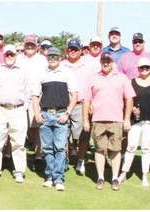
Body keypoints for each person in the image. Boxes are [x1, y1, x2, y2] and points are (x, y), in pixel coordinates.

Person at [83, 52, 135, 191]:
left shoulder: (122, 78)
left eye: (108, 61)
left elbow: (129, 98)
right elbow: (87, 100)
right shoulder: (93, 78)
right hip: (98, 119)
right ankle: (100, 177)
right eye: (103, 61)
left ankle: (114, 178)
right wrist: (85, 120)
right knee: (99, 149)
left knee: (116, 149)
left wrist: (127, 118)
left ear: (113, 62)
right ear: (100, 62)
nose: (106, 64)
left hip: (116, 120)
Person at [32, 47, 78, 191]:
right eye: (50, 56)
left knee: (60, 148)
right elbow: (35, 96)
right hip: (45, 115)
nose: (52, 59)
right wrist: (37, 113)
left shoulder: (67, 73)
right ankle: (49, 176)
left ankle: (59, 178)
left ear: (59, 58)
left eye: (55, 56)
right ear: (47, 58)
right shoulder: (41, 74)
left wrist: (67, 113)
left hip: (60, 116)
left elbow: (74, 95)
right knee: (47, 148)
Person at [119, 58, 150, 187]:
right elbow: (126, 99)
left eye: (147, 68)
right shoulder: (132, 82)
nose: (144, 70)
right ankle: (124, 173)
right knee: (131, 147)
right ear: (138, 69)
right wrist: (131, 109)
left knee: (145, 148)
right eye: (142, 68)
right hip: (135, 120)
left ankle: (144, 175)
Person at [0, 45, 30, 183]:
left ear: (16, 55)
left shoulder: (23, 71)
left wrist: (24, 108)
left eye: (11, 54)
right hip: (0, 109)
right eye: (7, 54)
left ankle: (19, 171)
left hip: (18, 110)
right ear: (4, 55)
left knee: (18, 142)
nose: (9, 57)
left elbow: (28, 91)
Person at [57, 39, 95, 175]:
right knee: (63, 134)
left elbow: (93, 86)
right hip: (63, 104)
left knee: (83, 134)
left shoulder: (88, 66)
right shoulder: (61, 65)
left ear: (80, 51)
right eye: (70, 49)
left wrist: (91, 103)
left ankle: (81, 159)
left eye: (76, 49)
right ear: (66, 50)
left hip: (81, 104)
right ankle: (65, 159)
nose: (73, 51)